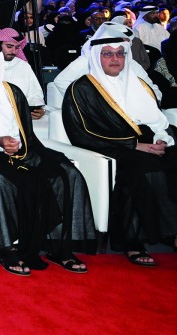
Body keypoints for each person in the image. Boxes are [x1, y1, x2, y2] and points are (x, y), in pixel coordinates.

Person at [0, 41, 95, 276]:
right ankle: (6, 248)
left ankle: (59, 246)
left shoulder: (12, 91)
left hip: (24, 148)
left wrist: (19, 146)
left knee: (67, 173)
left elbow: (25, 130)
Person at [61, 33, 177, 266]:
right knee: (143, 169)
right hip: (112, 147)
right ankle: (134, 241)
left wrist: (162, 139)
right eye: (107, 54)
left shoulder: (139, 84)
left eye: (119, 54)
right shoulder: (81, 89)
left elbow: (157, 120)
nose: (115, 59)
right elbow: (81, 133)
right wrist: (135, 145)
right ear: (97, 57)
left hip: (150, 143)